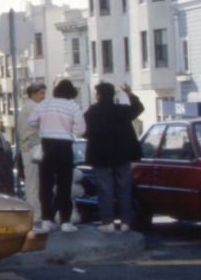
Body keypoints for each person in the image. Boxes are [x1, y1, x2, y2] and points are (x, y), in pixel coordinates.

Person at [84, 82, 144, 233]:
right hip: (123, 155)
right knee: (124, 188)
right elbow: (139, 108)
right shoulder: (122, 110)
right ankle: (125, 222)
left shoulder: (92, 112)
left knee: (105, 189)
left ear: (99, 95)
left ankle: (108, 222)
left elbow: (83, 130)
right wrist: (129, 94)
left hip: (101, 156)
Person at [28, 79, 85, 232]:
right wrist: (69, 129)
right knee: (64, 184)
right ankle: (65, 221)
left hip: (46, 145)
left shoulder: (44, 104)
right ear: (71, 93)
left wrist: (44, 126)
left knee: (45, 183)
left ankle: (47, 220)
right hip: (64, 147)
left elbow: (32, 121)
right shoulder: (73, 106)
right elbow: (81, 130)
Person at [16, 83, 48, 231]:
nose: (43, 96)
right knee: (33, 184)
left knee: (32, 183)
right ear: (33, 94)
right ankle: (35, 215)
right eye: (41, 93)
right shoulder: (34, 108)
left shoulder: (26, 108)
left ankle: (36, 213)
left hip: (29, 148)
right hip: (33, 148)